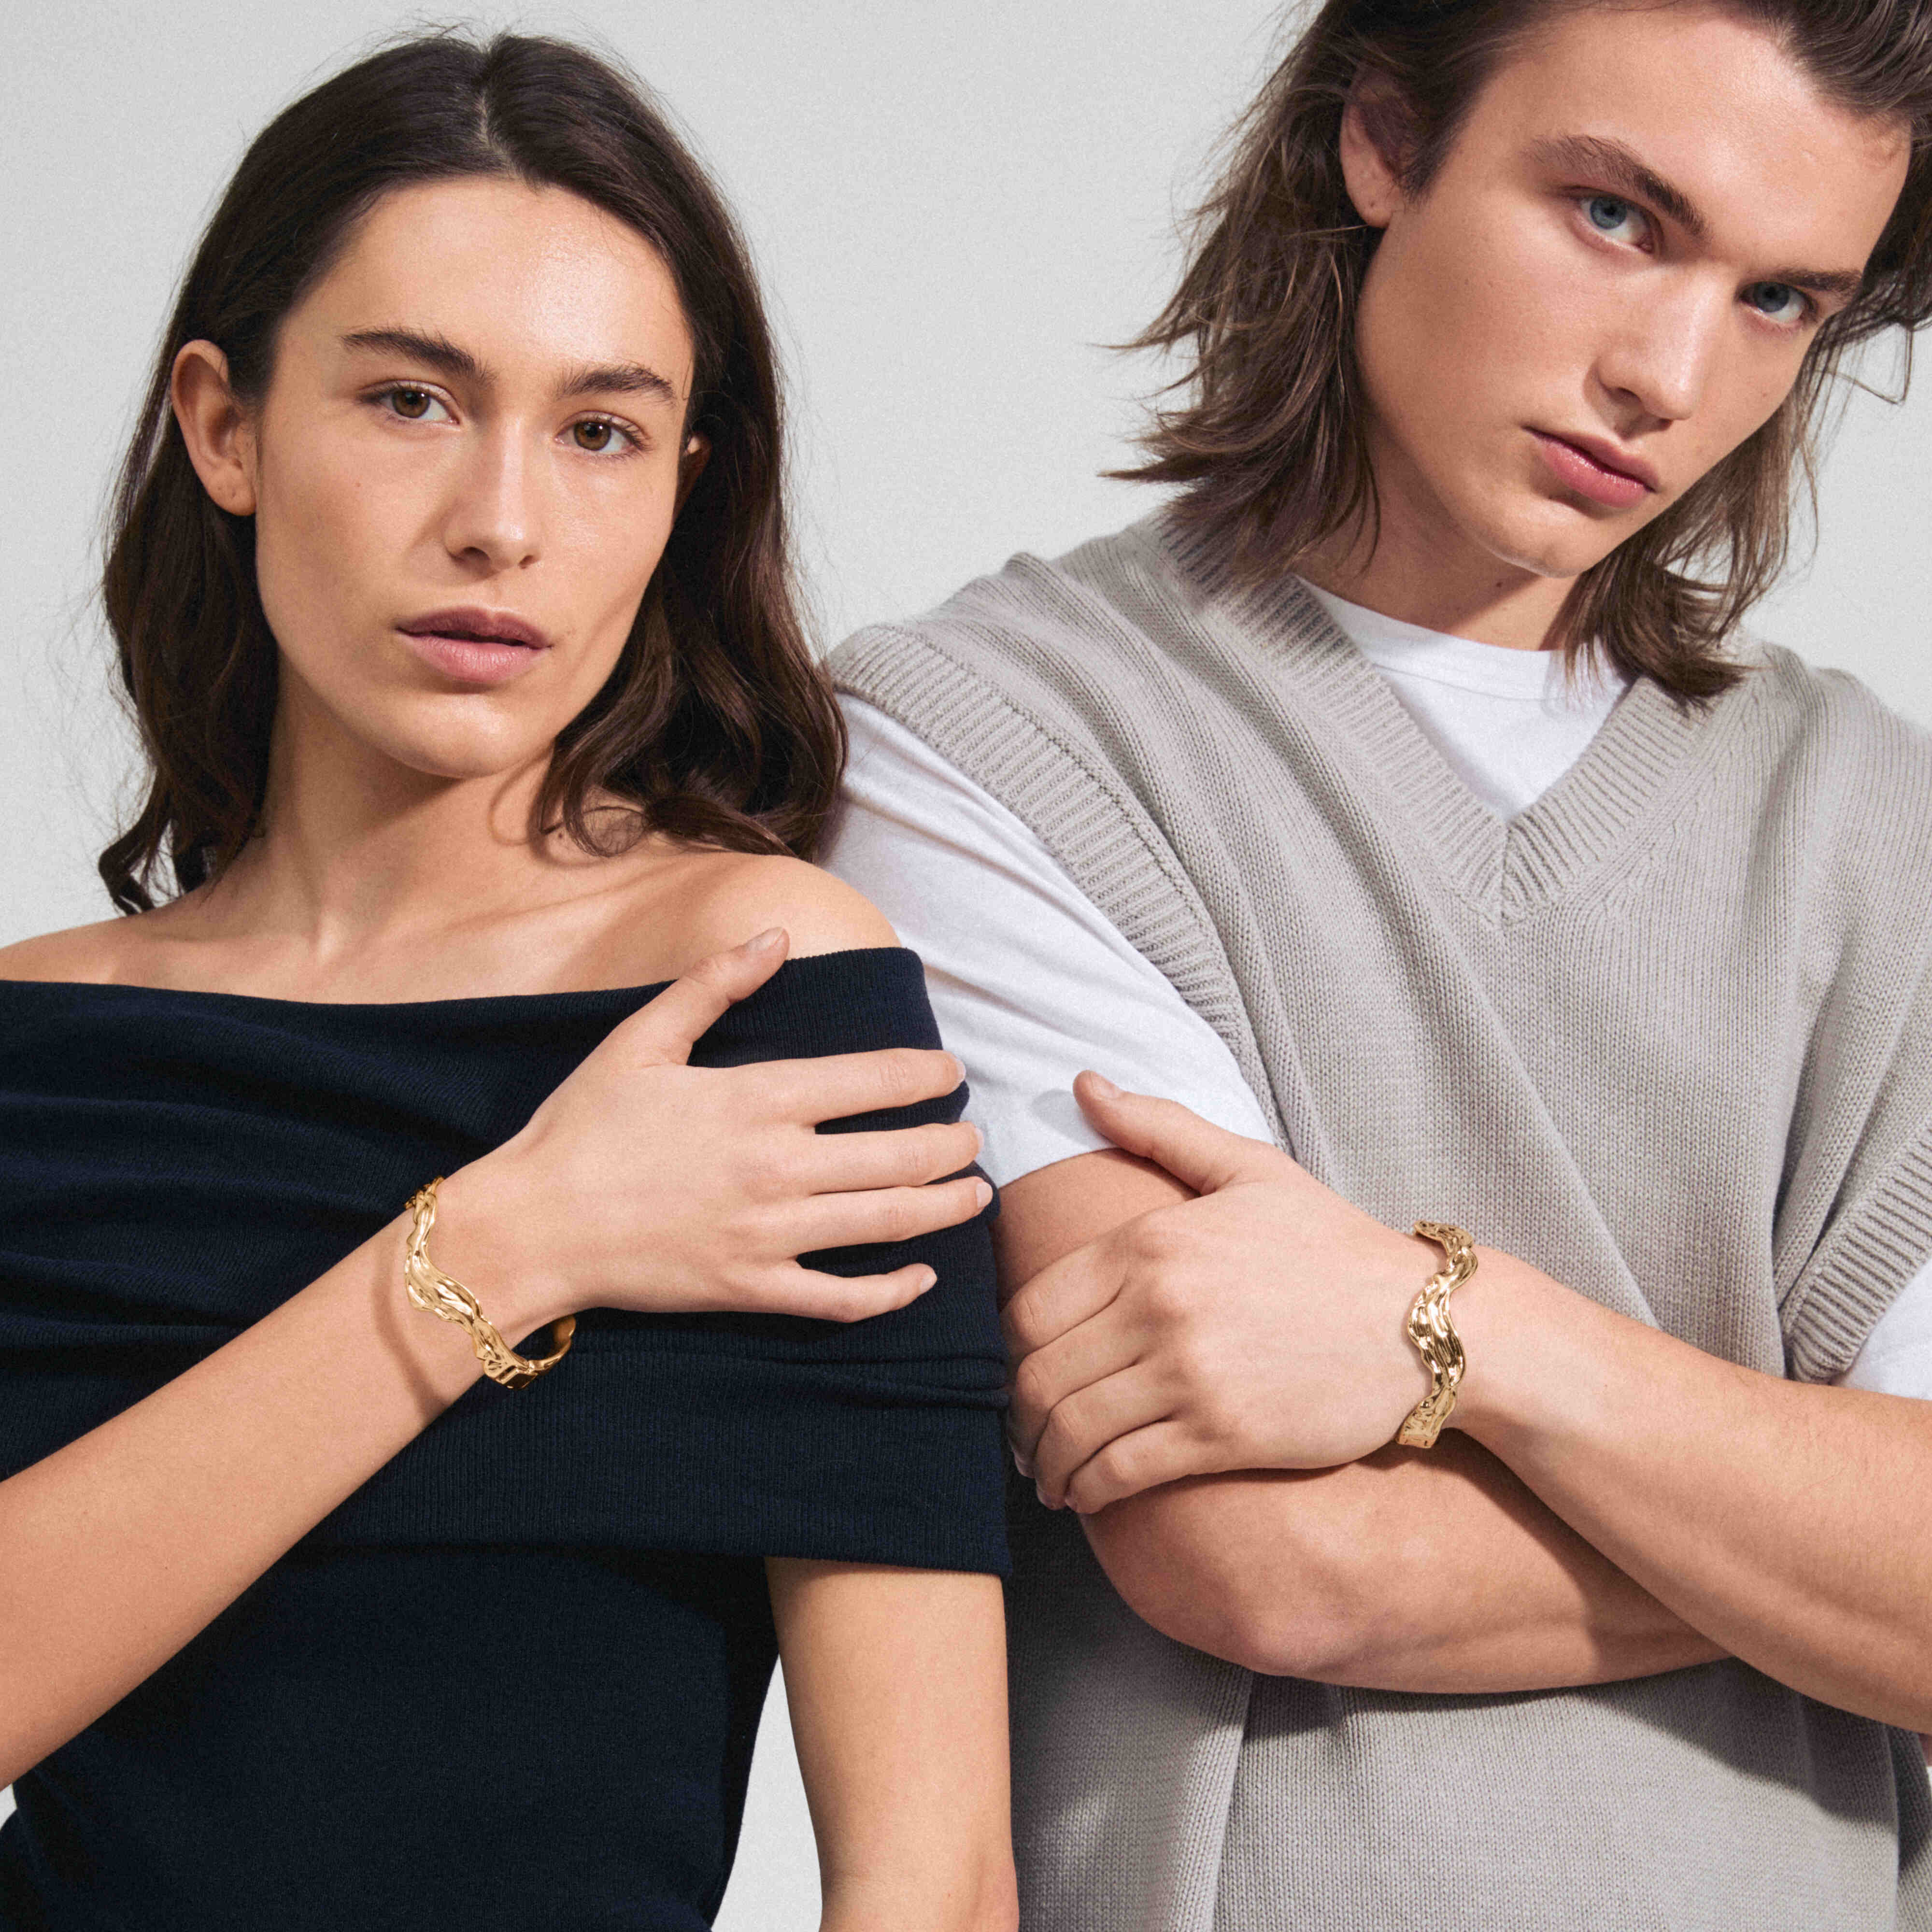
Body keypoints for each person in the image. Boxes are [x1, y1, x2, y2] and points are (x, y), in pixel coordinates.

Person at [824, 0, 1932, 1925]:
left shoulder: (1876, 824)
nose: (1666, 375)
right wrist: (1813, 1526)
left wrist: (1455, 1328)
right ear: (1384, 138)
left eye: (1779, 301)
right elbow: (1262, 1557)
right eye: (1614, 216)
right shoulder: (988, 744)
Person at [0, 31, 1017, 1932]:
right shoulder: (36, 1046)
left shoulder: (765, 995)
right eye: (411, 400)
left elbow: (933, 1879)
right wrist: (506, 1244)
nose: (504, 520)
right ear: (226, 427)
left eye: (600, 431)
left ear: (682, 489)